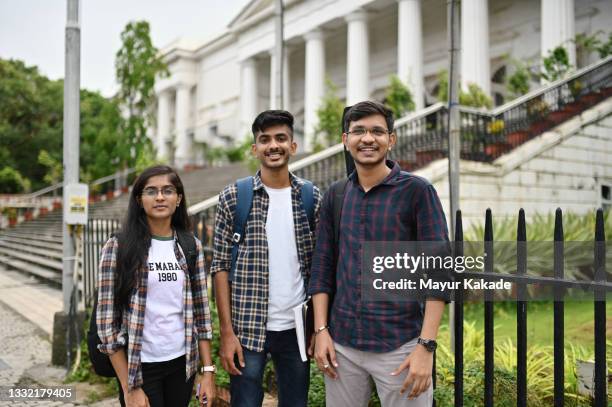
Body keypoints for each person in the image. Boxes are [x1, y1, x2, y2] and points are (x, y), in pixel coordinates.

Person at [309, 101, 449, 406]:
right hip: (342, 346)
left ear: (391, 140)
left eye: (377, 131)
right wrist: (321, 331)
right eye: (358, 131)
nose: (368, 139)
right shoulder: (336, 195)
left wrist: (426, 346)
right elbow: (322, 266)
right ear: (345, 140)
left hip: (399, 347)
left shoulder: (418, 192)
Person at [210, 110, 322, 407]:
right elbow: (220, 266)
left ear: (293, 145)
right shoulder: (234, 197)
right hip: (247, 327)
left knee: (296, 402)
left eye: (280, 138)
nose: (273, 145)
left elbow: (322, 268)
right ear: (254, 148)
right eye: (265, 139)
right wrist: (227, 333)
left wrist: (319, 327)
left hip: (297, 328)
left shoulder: (311, 197)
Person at [96, 165, 216, 407]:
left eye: (168, 190)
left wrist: (208, 371)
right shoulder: (118, 247)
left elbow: (202, 315)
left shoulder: (191, 246)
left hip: (181, 365)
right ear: (139, 200)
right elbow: (106, 325)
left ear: (178, 198)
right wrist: (129, 387)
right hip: (141, 367)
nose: (160, 197)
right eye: (151, 191)